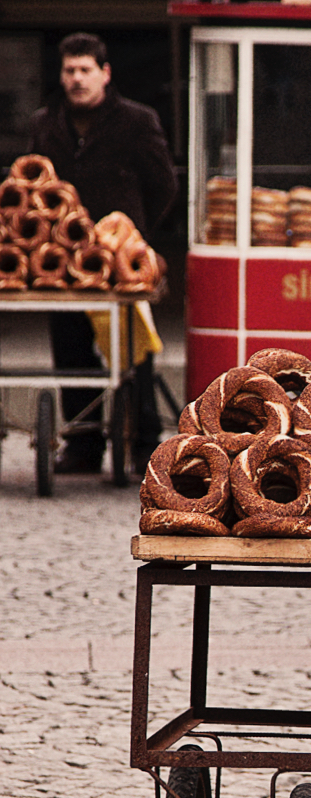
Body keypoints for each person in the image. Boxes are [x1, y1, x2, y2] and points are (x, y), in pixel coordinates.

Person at [28, 33, 179, 474]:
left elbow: (164, 183)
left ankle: (142, 446)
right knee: (71, 351)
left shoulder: (137, 120)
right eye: (69, 71)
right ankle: (82, 444)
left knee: (133, 354)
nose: (76, 80)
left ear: (105, 74)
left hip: (119, 265)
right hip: (61, 262)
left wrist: (133, 232)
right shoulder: (45, 122)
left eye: (85, 71)